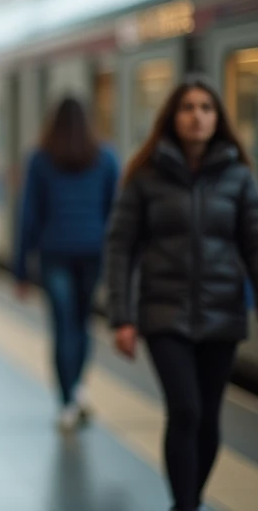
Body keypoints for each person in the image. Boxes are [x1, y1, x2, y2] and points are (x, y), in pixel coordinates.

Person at [106, 75, 258, 511]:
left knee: (209, 417)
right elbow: (121, 246)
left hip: (221, 313)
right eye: (188, 107)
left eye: (206, 108)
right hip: (163, 313)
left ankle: (188, 500)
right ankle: (185, 505)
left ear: (218, 118)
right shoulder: (146, 174)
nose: (198, 116)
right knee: (186, 410)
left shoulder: (238, 176)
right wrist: (122, 316)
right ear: (172, 117)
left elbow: (254, 244)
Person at [13, 97, 119, 432]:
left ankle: (67, 402)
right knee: (83, 323)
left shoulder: (41, 160)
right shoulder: (106, 158)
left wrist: (20, 269)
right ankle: (79, 390)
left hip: (54, 253)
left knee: (62, 327)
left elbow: (28, 216)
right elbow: (114, 212)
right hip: (93, 252)